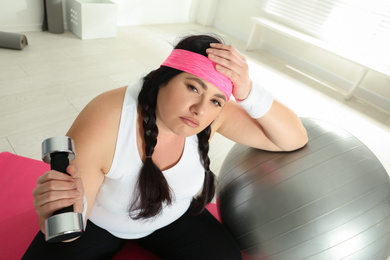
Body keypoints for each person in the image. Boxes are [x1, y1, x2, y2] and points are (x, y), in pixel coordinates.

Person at [23, 34, 308, 260]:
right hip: (101, 223)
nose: (199, 110)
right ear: (163, 79)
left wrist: (247, 91)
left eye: (216, 100)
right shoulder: (106, 118)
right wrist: (53, 207)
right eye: (193, 87)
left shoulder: (211, 116)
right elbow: (70, 228)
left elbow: (293, 139)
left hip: (171, 216)